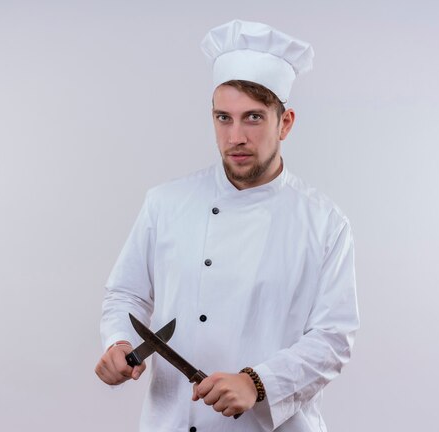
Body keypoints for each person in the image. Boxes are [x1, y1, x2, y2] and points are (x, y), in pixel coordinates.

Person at [95, 19, 359, 432]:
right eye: (224, 117)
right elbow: (126, 293)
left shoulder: (324, 223)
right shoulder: (165, 203)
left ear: (285, 122)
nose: (235, 136)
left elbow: (333, 339)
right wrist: (118, 343)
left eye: (253, 117)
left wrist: (258, 382)